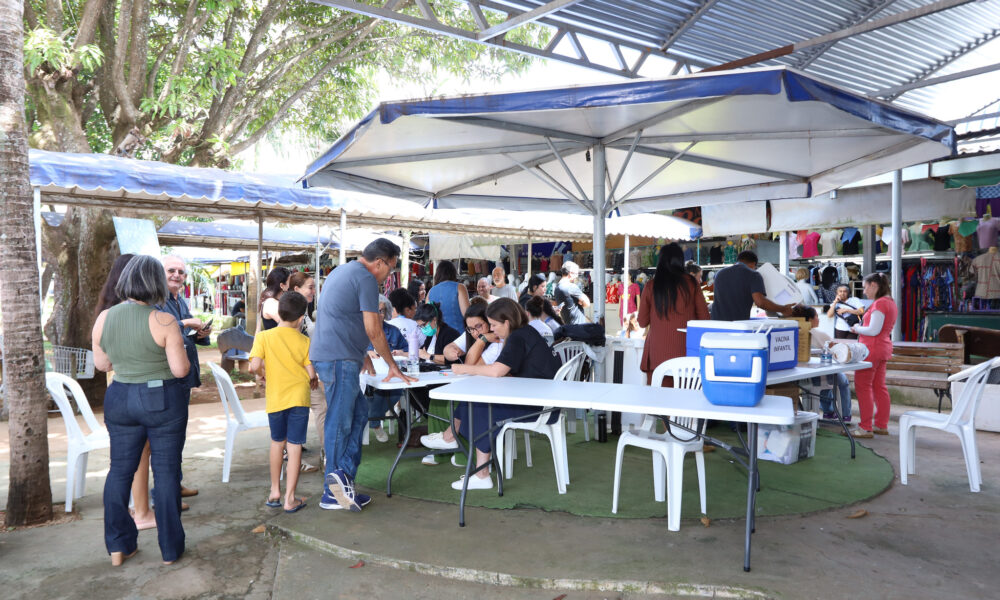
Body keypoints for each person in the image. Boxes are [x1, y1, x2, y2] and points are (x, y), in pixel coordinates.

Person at [91, 255, 190, 566]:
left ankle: (119, 547)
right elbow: (179, 370)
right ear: (156, 283)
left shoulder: (104, 318)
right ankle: (170, 550)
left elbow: (102, 364)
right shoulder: (163, 321)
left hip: (119, 397)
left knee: (119, 472)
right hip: (160, 400)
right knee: (166, 472)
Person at [311, 239, 414, 512]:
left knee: (357, 414)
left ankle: (342, 484)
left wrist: (363, 354)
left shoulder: (343, 272)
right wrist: (392, 364)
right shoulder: (366, 278)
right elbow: (374, 329)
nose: (388, 275)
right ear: (379, 262)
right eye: (391, 269)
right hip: (338, 358)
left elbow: (341, 318)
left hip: (338, 355)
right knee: (340, 420)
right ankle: (332, 491)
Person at [430, 298, 561, 490]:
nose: (492, 329)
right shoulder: (525, 332)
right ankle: (454, 439)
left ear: (507, 322)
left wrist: (464, 369)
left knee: (483, 406)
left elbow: (497, 371)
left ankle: (480, 471)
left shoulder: (517, 337)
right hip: (540, 399)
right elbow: (504, 370)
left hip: (540, 407)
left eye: (493, 324)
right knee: (477, 402)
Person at [249, 291, 318, 513]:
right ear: (301, 318)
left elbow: (252, 366)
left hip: (276, 398)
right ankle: (290, 498)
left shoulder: (264, 337)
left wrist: (262, 373)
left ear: (279, 312)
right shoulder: (305, 341)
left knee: (277, 442)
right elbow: (310, 372)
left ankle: (274, 491)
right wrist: (313, 379)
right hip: (298, 398)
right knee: (295, 445)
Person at [157, 256, 207, 501]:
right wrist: (187, 322)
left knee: (178, 434)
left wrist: (200, 332)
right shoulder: (156, 300)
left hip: (183, 375)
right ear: (160, 273)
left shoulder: (180, 300)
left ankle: (174, 485)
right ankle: (164, 494)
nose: (177, 275)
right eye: (171, 271)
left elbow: (185, 334)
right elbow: (160, 330)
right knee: (167, 437)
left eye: (182, 272)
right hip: (166, 375)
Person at [638, 244, 710, 385]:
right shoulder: (691, 284)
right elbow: (705, 319)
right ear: (680, 260)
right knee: (685, 401)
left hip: (657, 355)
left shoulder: (651, 285)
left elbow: (641, 322)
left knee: (657, 401)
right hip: (686, 356)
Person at [848, 273, 897, 438]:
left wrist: (856, 328)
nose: (864, 291)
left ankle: (865, 427)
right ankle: (881, 425)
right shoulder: (890, 303)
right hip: (882, 348)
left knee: (863, 387)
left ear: (874, 285)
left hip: (871, 349)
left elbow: (873, 330)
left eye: (865, 286)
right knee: (879, 387)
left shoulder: (880, 304)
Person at [790, 304, 852, 423]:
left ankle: (828, 411)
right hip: (817, 376)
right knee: (842, 380)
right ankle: (845, 415)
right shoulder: (820, 335)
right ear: (809, 320)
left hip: (798, 378)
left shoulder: (793, 333)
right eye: (816, 316)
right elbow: (836, 354)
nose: (818, 319)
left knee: (827, 380)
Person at [366, 295, 409, 443]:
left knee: (396, 389)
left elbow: (408, 351)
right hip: (366, 376)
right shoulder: (360, 331)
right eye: (376, 311)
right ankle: (375, 422)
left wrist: (399, 353)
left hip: (389, 373)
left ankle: (374, 422)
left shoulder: (394, 331)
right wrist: (366, 353)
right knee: (372, 391)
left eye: (382, 311)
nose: (379, 314)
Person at [709, 251, 795, 320]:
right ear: (754, 264)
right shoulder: (753, 275)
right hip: (737, 325)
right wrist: (783, 309)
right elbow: (760, 302)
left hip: (716, 323)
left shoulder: (719, 273)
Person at [426, 260, 470, 333]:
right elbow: (467, 314)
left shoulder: (430, 291)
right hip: (458, 334)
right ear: (453, 273)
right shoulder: (460, 287)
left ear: (437, 274)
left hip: (439, 336)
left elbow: (427, 317)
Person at [554, 261, 591, 325]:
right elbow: (587, 303)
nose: (577, 276)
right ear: (570, 273)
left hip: (568, 324)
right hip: (578, 326)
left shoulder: (557, 287)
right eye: (576, 273)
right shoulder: (571, 287)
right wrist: (581, 303)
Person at [288, 272, 316, 336]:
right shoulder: (293, 314)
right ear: (296, 289)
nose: (314, 291)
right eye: (310, 288)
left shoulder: (301, 310)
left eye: (314, 287)